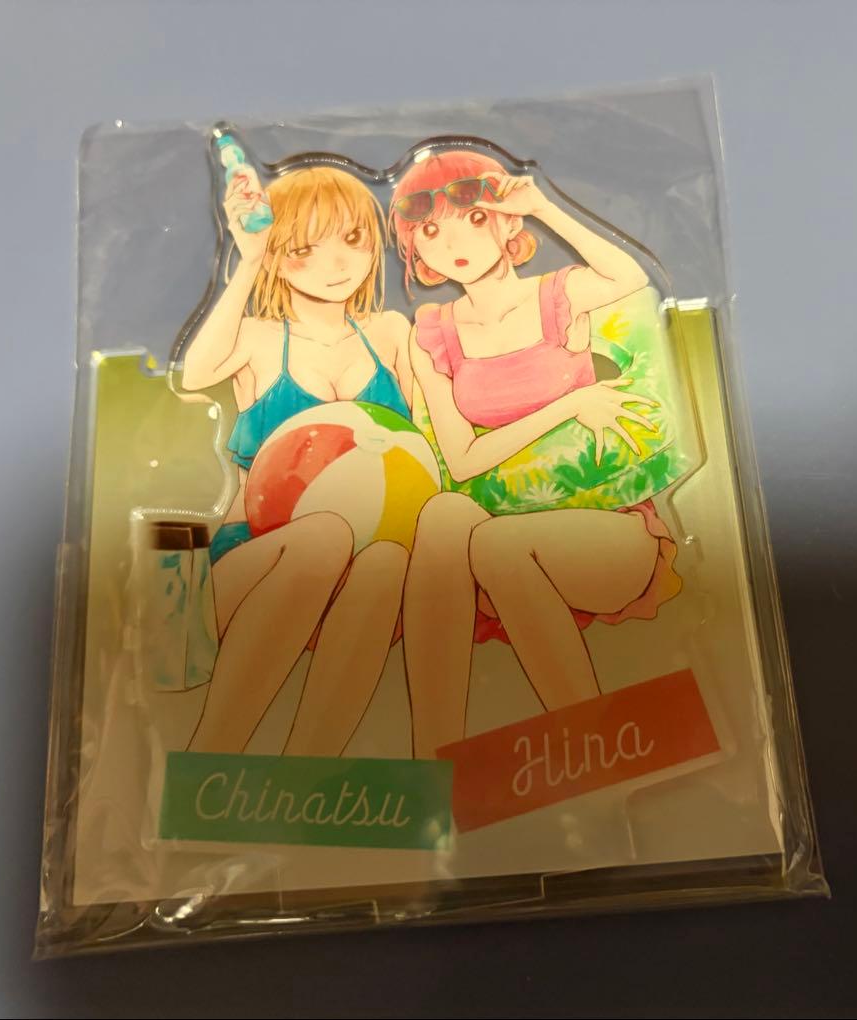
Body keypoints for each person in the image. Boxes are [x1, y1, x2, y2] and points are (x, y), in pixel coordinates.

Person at [390, 151, 682, 758]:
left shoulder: (559, 294)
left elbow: (629, 277)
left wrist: (544, 206)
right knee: (444, 514)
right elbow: (462, 461)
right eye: (431, 231)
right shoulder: (434, 331)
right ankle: (432, 757)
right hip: (498, 534)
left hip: (605, 529)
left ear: (506, 221)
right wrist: (569, 406)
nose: (453, 243)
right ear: (416, 248)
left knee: (496, 542)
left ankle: (592, 749)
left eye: (474, 218)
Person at [181, 165, 412, 755]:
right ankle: (211, 755)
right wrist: (249, 260)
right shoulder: (257, 337)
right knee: (323, 534)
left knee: (387, 558)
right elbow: (196, 373)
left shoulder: (389, 332)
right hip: (255, 556)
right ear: (278, 257)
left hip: (361, 565)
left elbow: (428, 444)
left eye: (352, 240)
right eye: (304, 249)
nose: (337, 264)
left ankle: (309, 769)